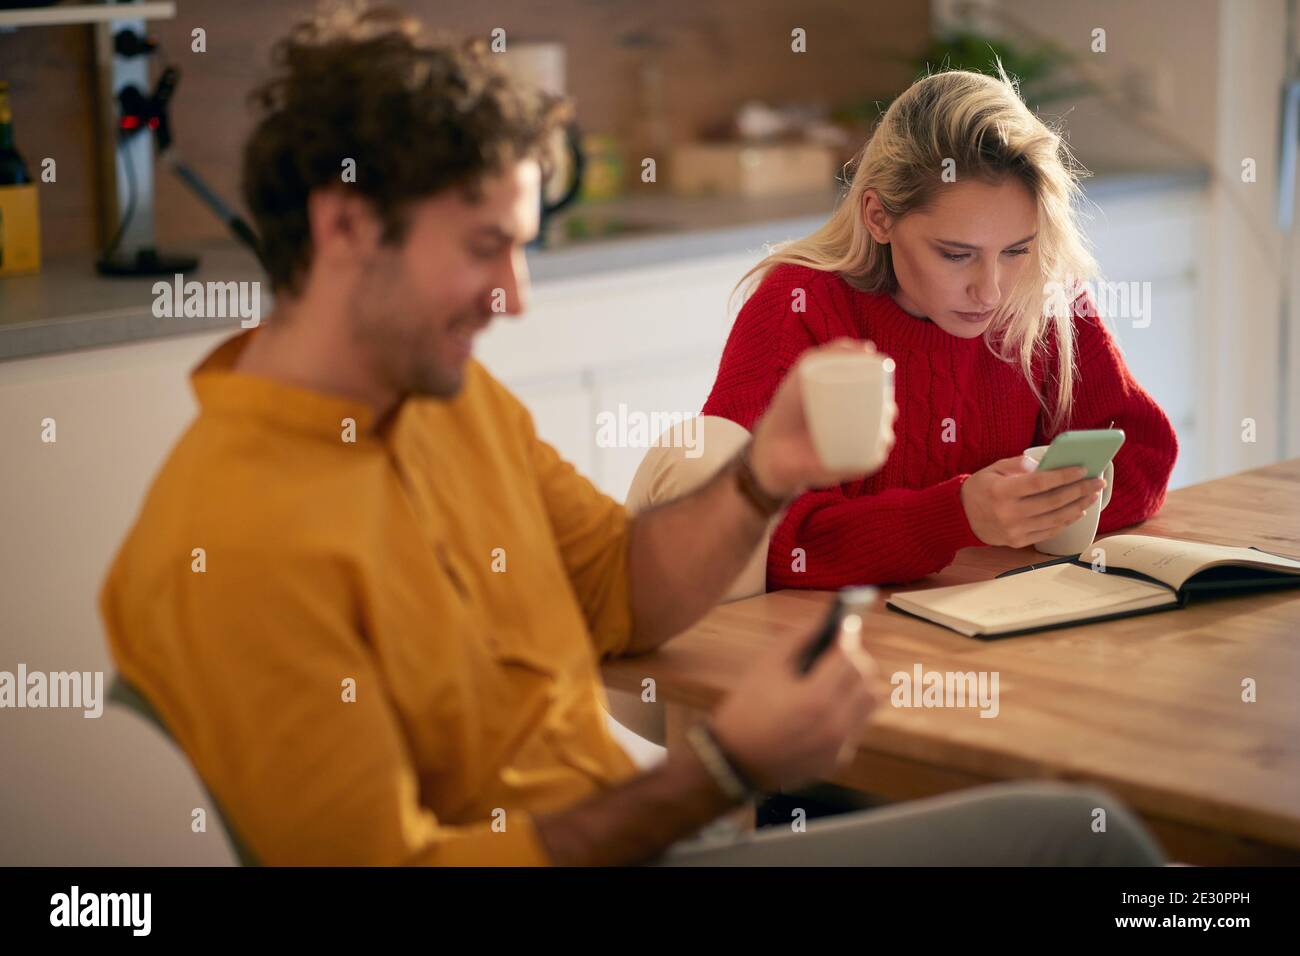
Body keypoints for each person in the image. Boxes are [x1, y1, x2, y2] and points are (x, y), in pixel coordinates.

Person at [100, 4, 1165, 867]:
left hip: (652, 828)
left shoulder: (452, 407)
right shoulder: (234, 537)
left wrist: (757, 477)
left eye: (521, 248)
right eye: (485, 247)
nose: (513, 298)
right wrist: (722, 765)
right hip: (647, 831)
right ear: (343, 229)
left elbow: (623, 590)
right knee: (1088, 846)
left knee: (1090, 829)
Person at [701, 67, 1179, 590]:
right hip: (836, 645)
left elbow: (1143, 456)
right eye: (956, 254)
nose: (991, 291)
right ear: (878, 217)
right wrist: (958, 518)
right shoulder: (798, 306)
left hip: (1000, 621)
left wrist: (1040, 511)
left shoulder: (1041, 292)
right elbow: (757, 538)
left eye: (1016, 250)